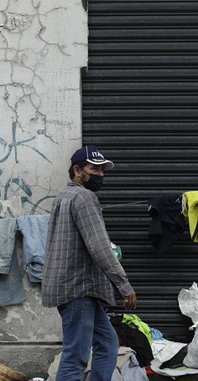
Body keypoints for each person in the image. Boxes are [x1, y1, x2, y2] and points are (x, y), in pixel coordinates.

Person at [42, 145, 137, 381]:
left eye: (103, 170)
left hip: (74, 288)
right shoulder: (84, 197)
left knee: (107, 343)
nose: (100, 175)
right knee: (76, 355)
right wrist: (123, 285)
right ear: (77, 170)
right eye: (94, 169)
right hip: (78, 289)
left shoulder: (64, 196)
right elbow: (99, 246)